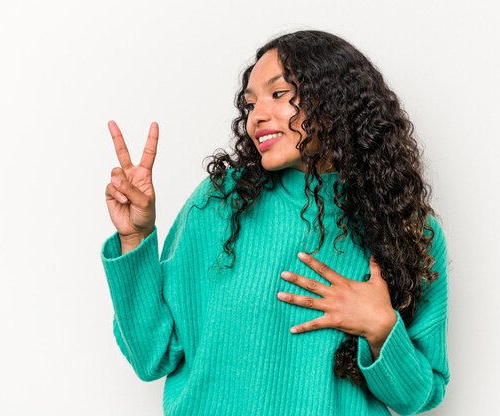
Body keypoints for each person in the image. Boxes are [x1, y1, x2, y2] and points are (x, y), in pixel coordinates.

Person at [102, 30, 449, 416]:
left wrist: (381, 329)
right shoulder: (223, 201)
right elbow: (153, 355)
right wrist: (134, 238)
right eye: (250, 104)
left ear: (335, 97)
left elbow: (419, 395)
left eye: (279, 94)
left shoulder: (408, 228)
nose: (257, 116)